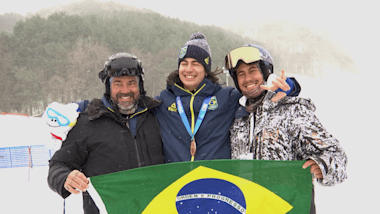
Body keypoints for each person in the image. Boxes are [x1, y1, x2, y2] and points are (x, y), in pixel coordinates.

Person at [225, 44, 348, 213]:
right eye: (241, 74)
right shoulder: (237, 119)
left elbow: (337, 156)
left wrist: (323, 165)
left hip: (288, 208)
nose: (247, 79)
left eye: (253, 70)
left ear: (266, 73)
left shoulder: (292, 111)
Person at [154, 32, 301, 163]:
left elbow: (256, 93)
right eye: (184, 63)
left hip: (217, 187)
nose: (188, 69)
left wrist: (288, 86)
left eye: (196, 64)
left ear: (206, 70)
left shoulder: (227, 98)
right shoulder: (163, 101)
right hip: (176, 186)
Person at [47, 53, 165, 214]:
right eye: (118, 84)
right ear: (109, 87)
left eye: (131, 83)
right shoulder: (88, 123)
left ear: (140, 86)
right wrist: (64, 177)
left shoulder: (156, 117)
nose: (125, 91)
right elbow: (58, 165)